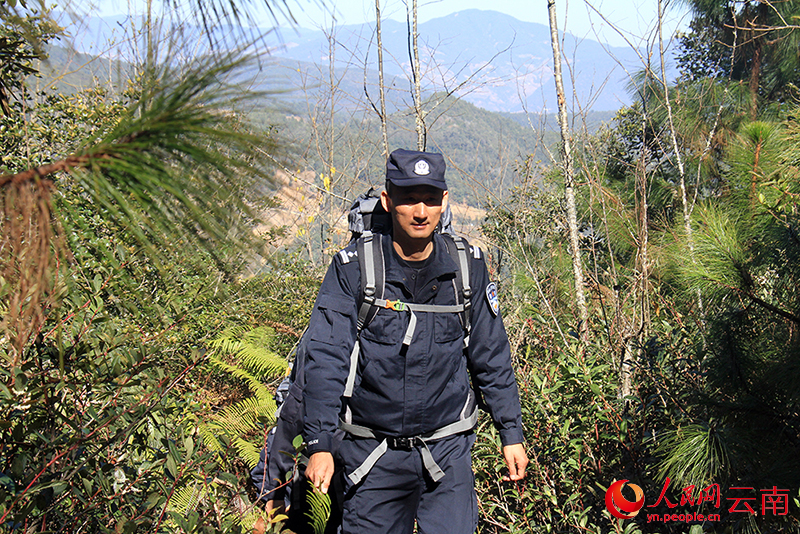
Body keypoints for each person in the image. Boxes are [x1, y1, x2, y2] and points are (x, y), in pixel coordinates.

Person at [302, 148, 528, 534]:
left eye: (429, 199)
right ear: (388, 201)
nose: (420, 211)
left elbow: (490, 353)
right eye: (408, 198)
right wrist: (320, 443)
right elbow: (326, 356)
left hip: (448, 451)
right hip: (373, 456)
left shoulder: (466, 266)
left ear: (444, 201)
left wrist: (511, 432)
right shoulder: (355, 267)